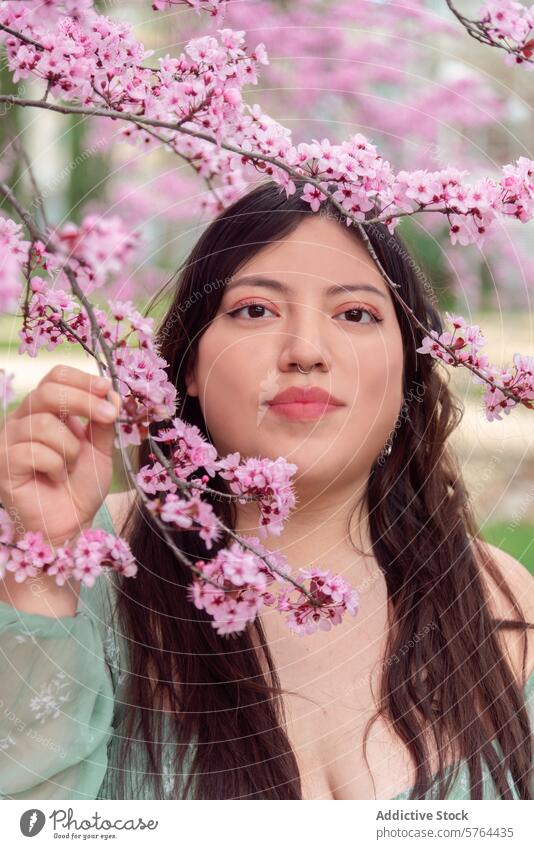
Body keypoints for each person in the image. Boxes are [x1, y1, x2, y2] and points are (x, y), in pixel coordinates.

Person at [0, 179, 533, 801]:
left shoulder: (503, 602)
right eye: (255, 309)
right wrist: (37, 565)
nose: (305, 351)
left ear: (410, 367)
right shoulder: (82, 570)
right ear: (189, 367)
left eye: (356, 314)